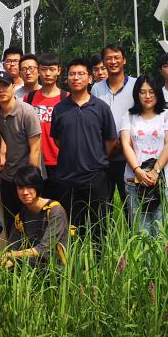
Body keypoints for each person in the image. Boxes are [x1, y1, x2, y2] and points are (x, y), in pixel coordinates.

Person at [50, 57, 117, 244]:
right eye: (72, 74)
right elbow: (57, 140)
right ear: (67, 78)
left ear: (89, 78)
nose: (76, 78)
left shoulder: (101, 108)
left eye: (81, 74)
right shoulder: (59, 109)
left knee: (99, 227)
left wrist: (96, 157)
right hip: (67, 177)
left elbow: (111, 140)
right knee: (71, 228)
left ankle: (99, 260)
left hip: (96, 177)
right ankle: (73, 261)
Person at [120, 75, 168, 236]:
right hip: (135, 181)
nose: (147, 96)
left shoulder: (167, 115)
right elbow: (126, 144)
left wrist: (155, 171)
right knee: (141, 231)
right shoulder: (129, 116)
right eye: (142, 92)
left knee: (164, 232)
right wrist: (138, 170)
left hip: (165, 181)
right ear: (136, 94)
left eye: (151, 91)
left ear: (158, 93)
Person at [0, 70, 42, 222]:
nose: (1, 90)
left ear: (13, 87)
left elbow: (36, 148)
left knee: (30, 221)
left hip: (26, 178)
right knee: (11, 221)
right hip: (8, 176)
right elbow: (3, 137)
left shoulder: (27, 111)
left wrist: (29, 181)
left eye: (5, 86)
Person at [93, 43, 135, 207]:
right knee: (104, 203)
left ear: (124, 60)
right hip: (104, 154)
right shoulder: (97, 88)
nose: (113, 62)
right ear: (104, 62)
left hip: (130, 154)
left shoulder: (135, 85)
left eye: (116, 58)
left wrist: (124, 139)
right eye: (108, 58)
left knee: (131, 203)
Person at [2, 167, 69, 268]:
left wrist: (12, 254)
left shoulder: (54, 210)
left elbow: (44, 249)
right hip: (31, 269)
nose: (25, 192)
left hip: (56, 270)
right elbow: (12, 248)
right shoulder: (20, 218)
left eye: (29, 187)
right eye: (20, 188)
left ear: (38, 187)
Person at [23, 53, 64, 196]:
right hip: (36, 160)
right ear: (38, 70)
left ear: (59, 70)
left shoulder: (66, 97)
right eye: (44, 69)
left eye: (52, 69)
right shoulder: (29, 97)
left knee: (61, 203)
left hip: (60, 161)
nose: (47, 73)